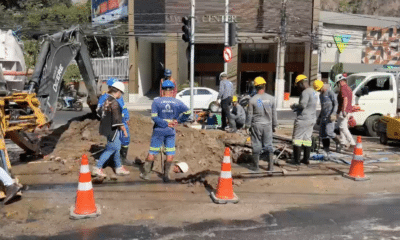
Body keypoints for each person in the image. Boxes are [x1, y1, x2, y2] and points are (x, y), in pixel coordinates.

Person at [140, 80, 191, 182]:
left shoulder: (156, 102)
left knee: (152, 152)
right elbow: (188, 112)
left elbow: (154, 117)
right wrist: (178, 121)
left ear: (162, 90)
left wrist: (165, 123)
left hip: (159, 130)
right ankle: (166, 176)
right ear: (173, 91)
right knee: (170, 152)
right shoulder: (177, 102)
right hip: (170, 130)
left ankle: (146, 175)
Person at [92, 81, 130, 177]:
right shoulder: (114, 103)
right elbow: (117, 119)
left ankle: (118, 167)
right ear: (118, 92)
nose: (121, 95)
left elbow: (99, 113)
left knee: (116, 148)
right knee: (111, 149)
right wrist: (124, 130)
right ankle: (98, 167)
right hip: (112, 130)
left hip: (105, 128)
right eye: (121, 93)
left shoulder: (107, 100)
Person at [245, 77, 278, 171]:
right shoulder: (271, 99)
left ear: (255, 87)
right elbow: (274, 113)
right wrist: (274, 125)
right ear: (264, 85)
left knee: (256, 145)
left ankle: (256, 167)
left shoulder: (252, 100)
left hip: (256, 125)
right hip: (268, 125)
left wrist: (247, 125)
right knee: (268, 145)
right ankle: (270, 167)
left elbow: (249, 115)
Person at [290, 74, 318, 165]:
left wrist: (294, 106)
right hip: (311, 118)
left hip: (303, 119)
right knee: (307, 139)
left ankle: (296, 160)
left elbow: (302, 105)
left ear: (301, 83)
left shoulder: (305, 92)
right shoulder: (313, 91)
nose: (298, 87)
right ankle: (306, 159)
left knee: (297, 139)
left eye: (298, 85)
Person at [313, 80, 341, 153]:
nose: (319, 91)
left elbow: (336, 104)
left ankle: (338, 142)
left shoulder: (330, 93)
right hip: (323, 116)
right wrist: (319, 117)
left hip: (330, 116)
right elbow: (323, 107)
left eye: (319, 89)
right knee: (323, 134)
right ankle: (326, 149)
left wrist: (334, 113)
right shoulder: (321, 95)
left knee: (329, 132)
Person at [336, 75, 356, 150]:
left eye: (338, 83)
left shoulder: (343, 88)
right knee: (342, 127)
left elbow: (345, 99)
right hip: (348, 111)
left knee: (343, 128)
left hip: (344, 111)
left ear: (341, 81)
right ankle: (342, 143)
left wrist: (344, 110)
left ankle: (352, 143)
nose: (338, 84)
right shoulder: (348, 88)